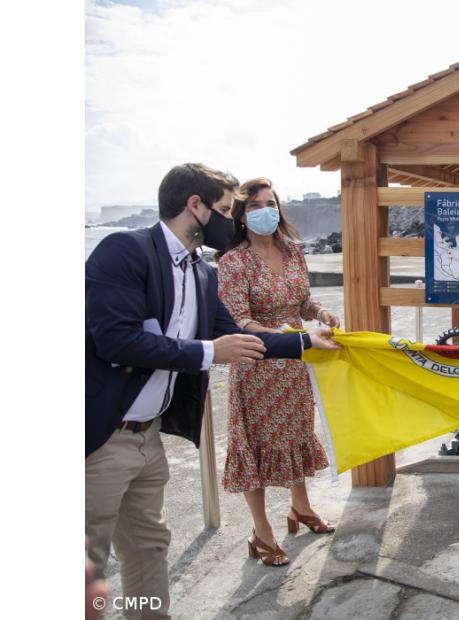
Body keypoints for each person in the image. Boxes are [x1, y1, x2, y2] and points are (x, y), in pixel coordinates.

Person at [85, 163, 339, 619]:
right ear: (195, 206)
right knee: (88, 560)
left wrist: (305, 341)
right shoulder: (125, 250)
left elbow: (234, 333)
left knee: (148, 549)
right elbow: (116, 340)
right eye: (226, 209)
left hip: (149, 437)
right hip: (102, 438)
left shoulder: (201, 273)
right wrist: (209, 351)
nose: (233, 219)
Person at [215, 177, 340, 566]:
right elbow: (239, 319)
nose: (264, 211)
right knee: (254, 447)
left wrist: (320, 312)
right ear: (241, 216)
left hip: (295, 366)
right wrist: (286, 337)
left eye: (270, 204)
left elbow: (302, 302)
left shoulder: (293, 252)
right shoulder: (233, 262)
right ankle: (261, 531)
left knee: (296, 436)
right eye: (254, 206)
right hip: (257, 366)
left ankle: (301, 507)